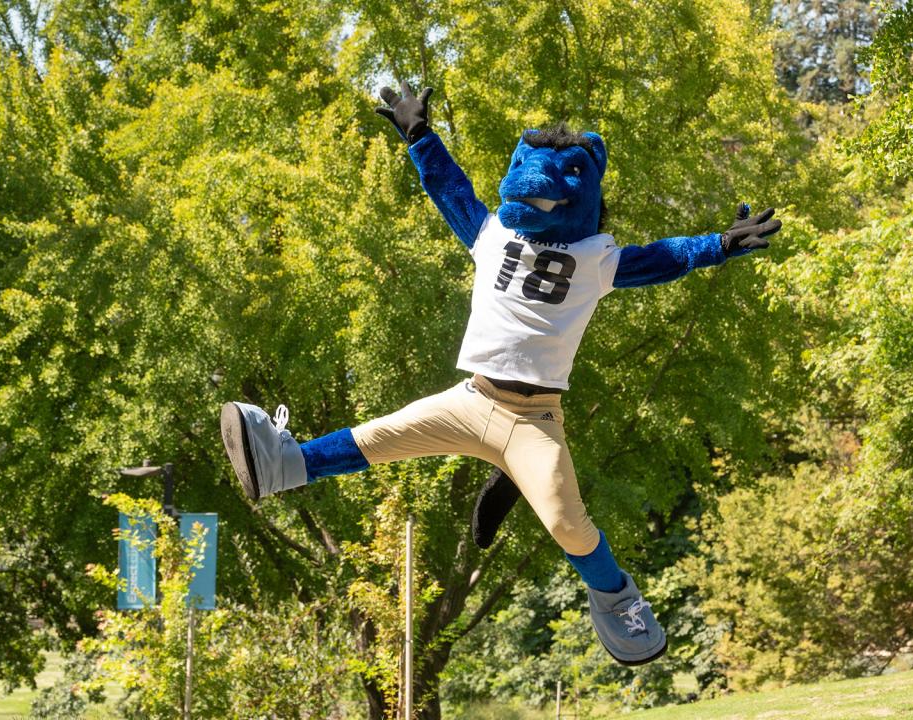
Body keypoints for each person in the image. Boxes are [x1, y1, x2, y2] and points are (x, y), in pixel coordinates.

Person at [219, 81, 780, 665]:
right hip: (470, 401)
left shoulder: (595, 260)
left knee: (567, 523)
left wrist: (720, 243)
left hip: (534, 421)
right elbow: (448, 188)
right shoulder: (493, 236)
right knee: (375, 437)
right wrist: (420, 134)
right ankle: (284, 465)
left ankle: (618, 599)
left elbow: (663, 258)